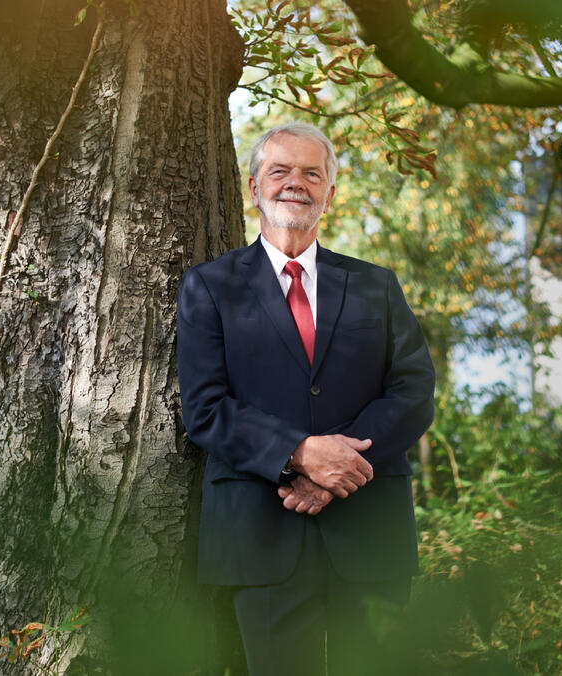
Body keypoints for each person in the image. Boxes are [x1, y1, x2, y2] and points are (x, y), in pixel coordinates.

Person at [177, 122, 435, 675]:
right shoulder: (210, 287)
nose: (296, 183)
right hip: (260, 537)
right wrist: (299, 454)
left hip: (371, 537)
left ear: (330, 194)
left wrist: (340, 467)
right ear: (254, 188)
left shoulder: (376, 286)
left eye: (311, 173)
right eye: (280, 171)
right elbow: (204, 408)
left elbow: (414, 391)